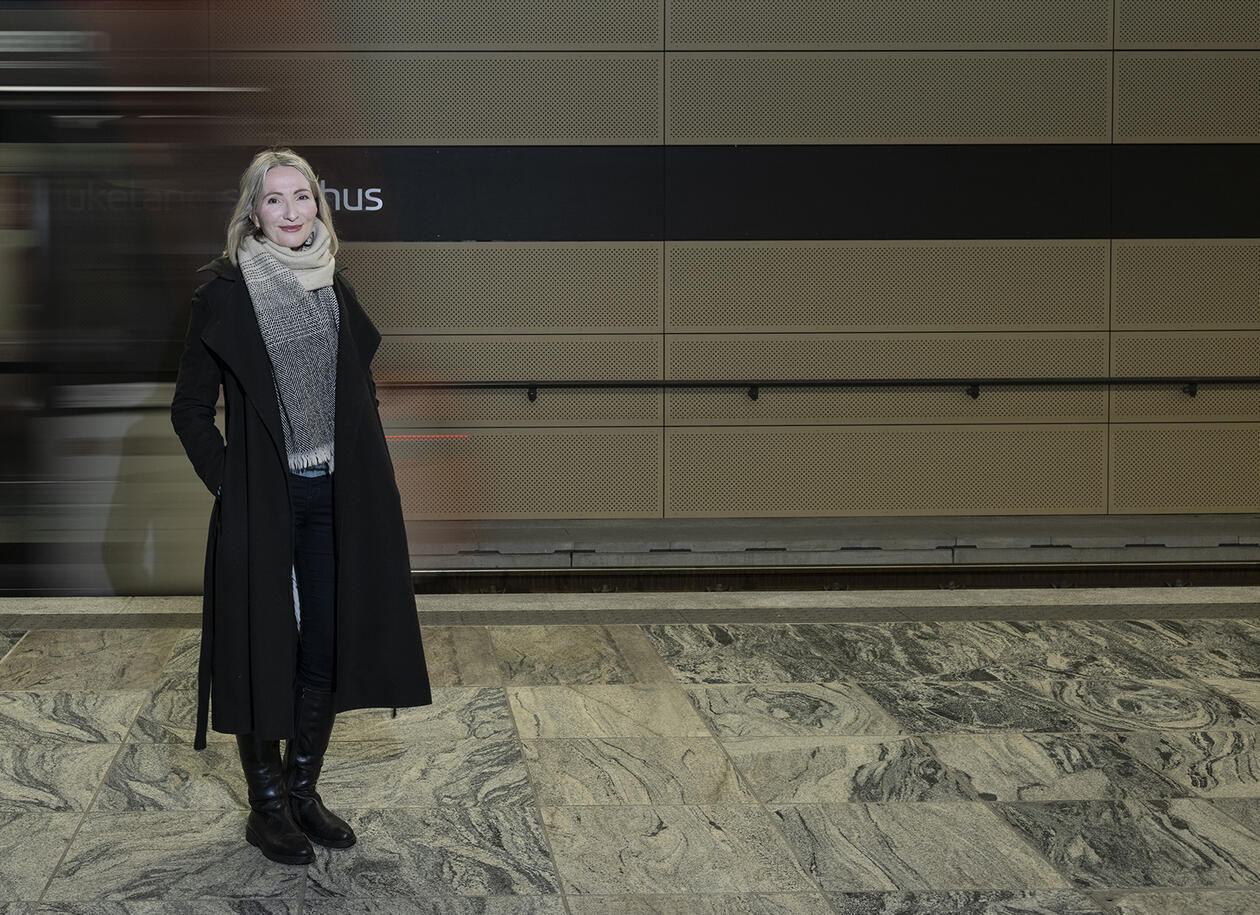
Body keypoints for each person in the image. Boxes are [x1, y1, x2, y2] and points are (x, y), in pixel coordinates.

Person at [171, 148, 431, 865]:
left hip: (331, 495)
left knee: (325, 642)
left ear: (320, 206)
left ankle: (303, 789)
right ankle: (266, 807)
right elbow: (190, 410)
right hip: (266, 502)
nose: (292, 212)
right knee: (263, 646)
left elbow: (357, 390)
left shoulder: (332, 286)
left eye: (303, 197)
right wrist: (235, 482)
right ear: (252, 213)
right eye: (276, 200)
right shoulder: (225, 293)